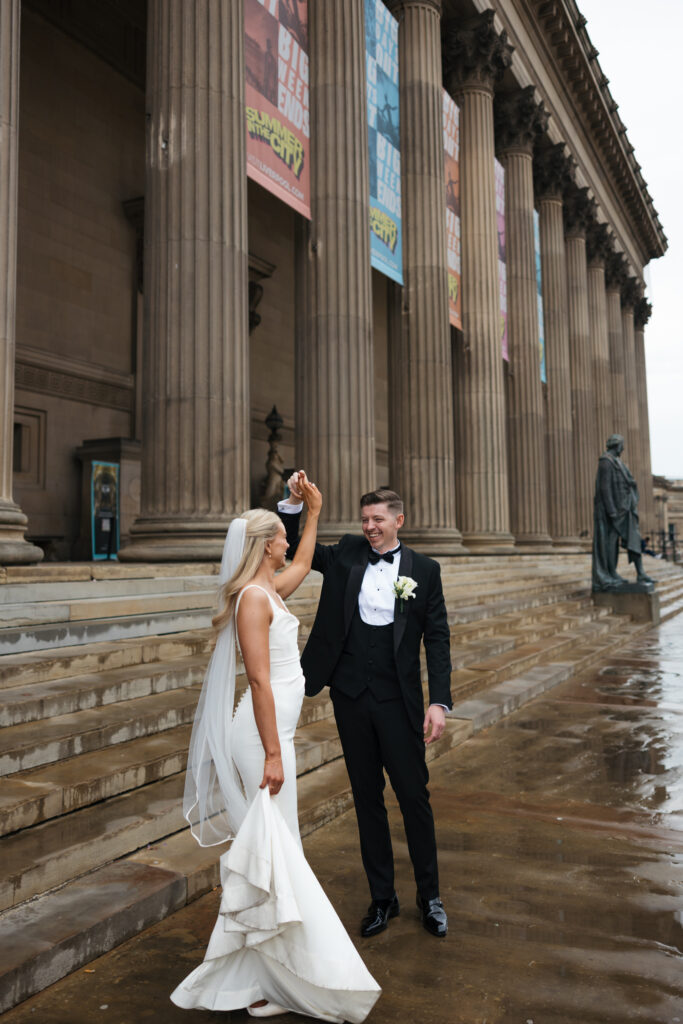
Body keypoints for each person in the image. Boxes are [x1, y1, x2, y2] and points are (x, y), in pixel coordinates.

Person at [171, 478, 381, 1021]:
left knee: (278, 852)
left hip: (273, 736)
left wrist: (313, 513)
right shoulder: (251, 601)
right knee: (279, 852)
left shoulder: (268, 590)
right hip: (260, 739)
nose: (287, 542)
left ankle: (264, 976)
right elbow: (260, 681)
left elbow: (305, 561)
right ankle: (276, 976)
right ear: (267, 546)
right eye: (281, 537)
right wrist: (271, 753)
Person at [279, 477, 451, 940]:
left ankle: (430, 897)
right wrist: (294, 504)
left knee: (413, 797)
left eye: (378, 519)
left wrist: (438, 701)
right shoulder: (348, 552)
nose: (370, 526)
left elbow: (437, 638)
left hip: (399, 701)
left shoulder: (426, 570)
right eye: (365, 519)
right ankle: (382, 898)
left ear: (399, 520)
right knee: (366, 798)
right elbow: (296, 548)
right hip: (351, 697)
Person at [592, 433, 655, 592]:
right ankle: (610, 572)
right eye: (622, 445)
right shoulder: (606, 461)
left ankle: (640, 573)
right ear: (617, 445)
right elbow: (605, 488)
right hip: (613, 511)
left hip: (625, 508)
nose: (624, 448)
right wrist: (611, 511)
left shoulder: (618, 462)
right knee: (611, 542)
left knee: (634, 539)